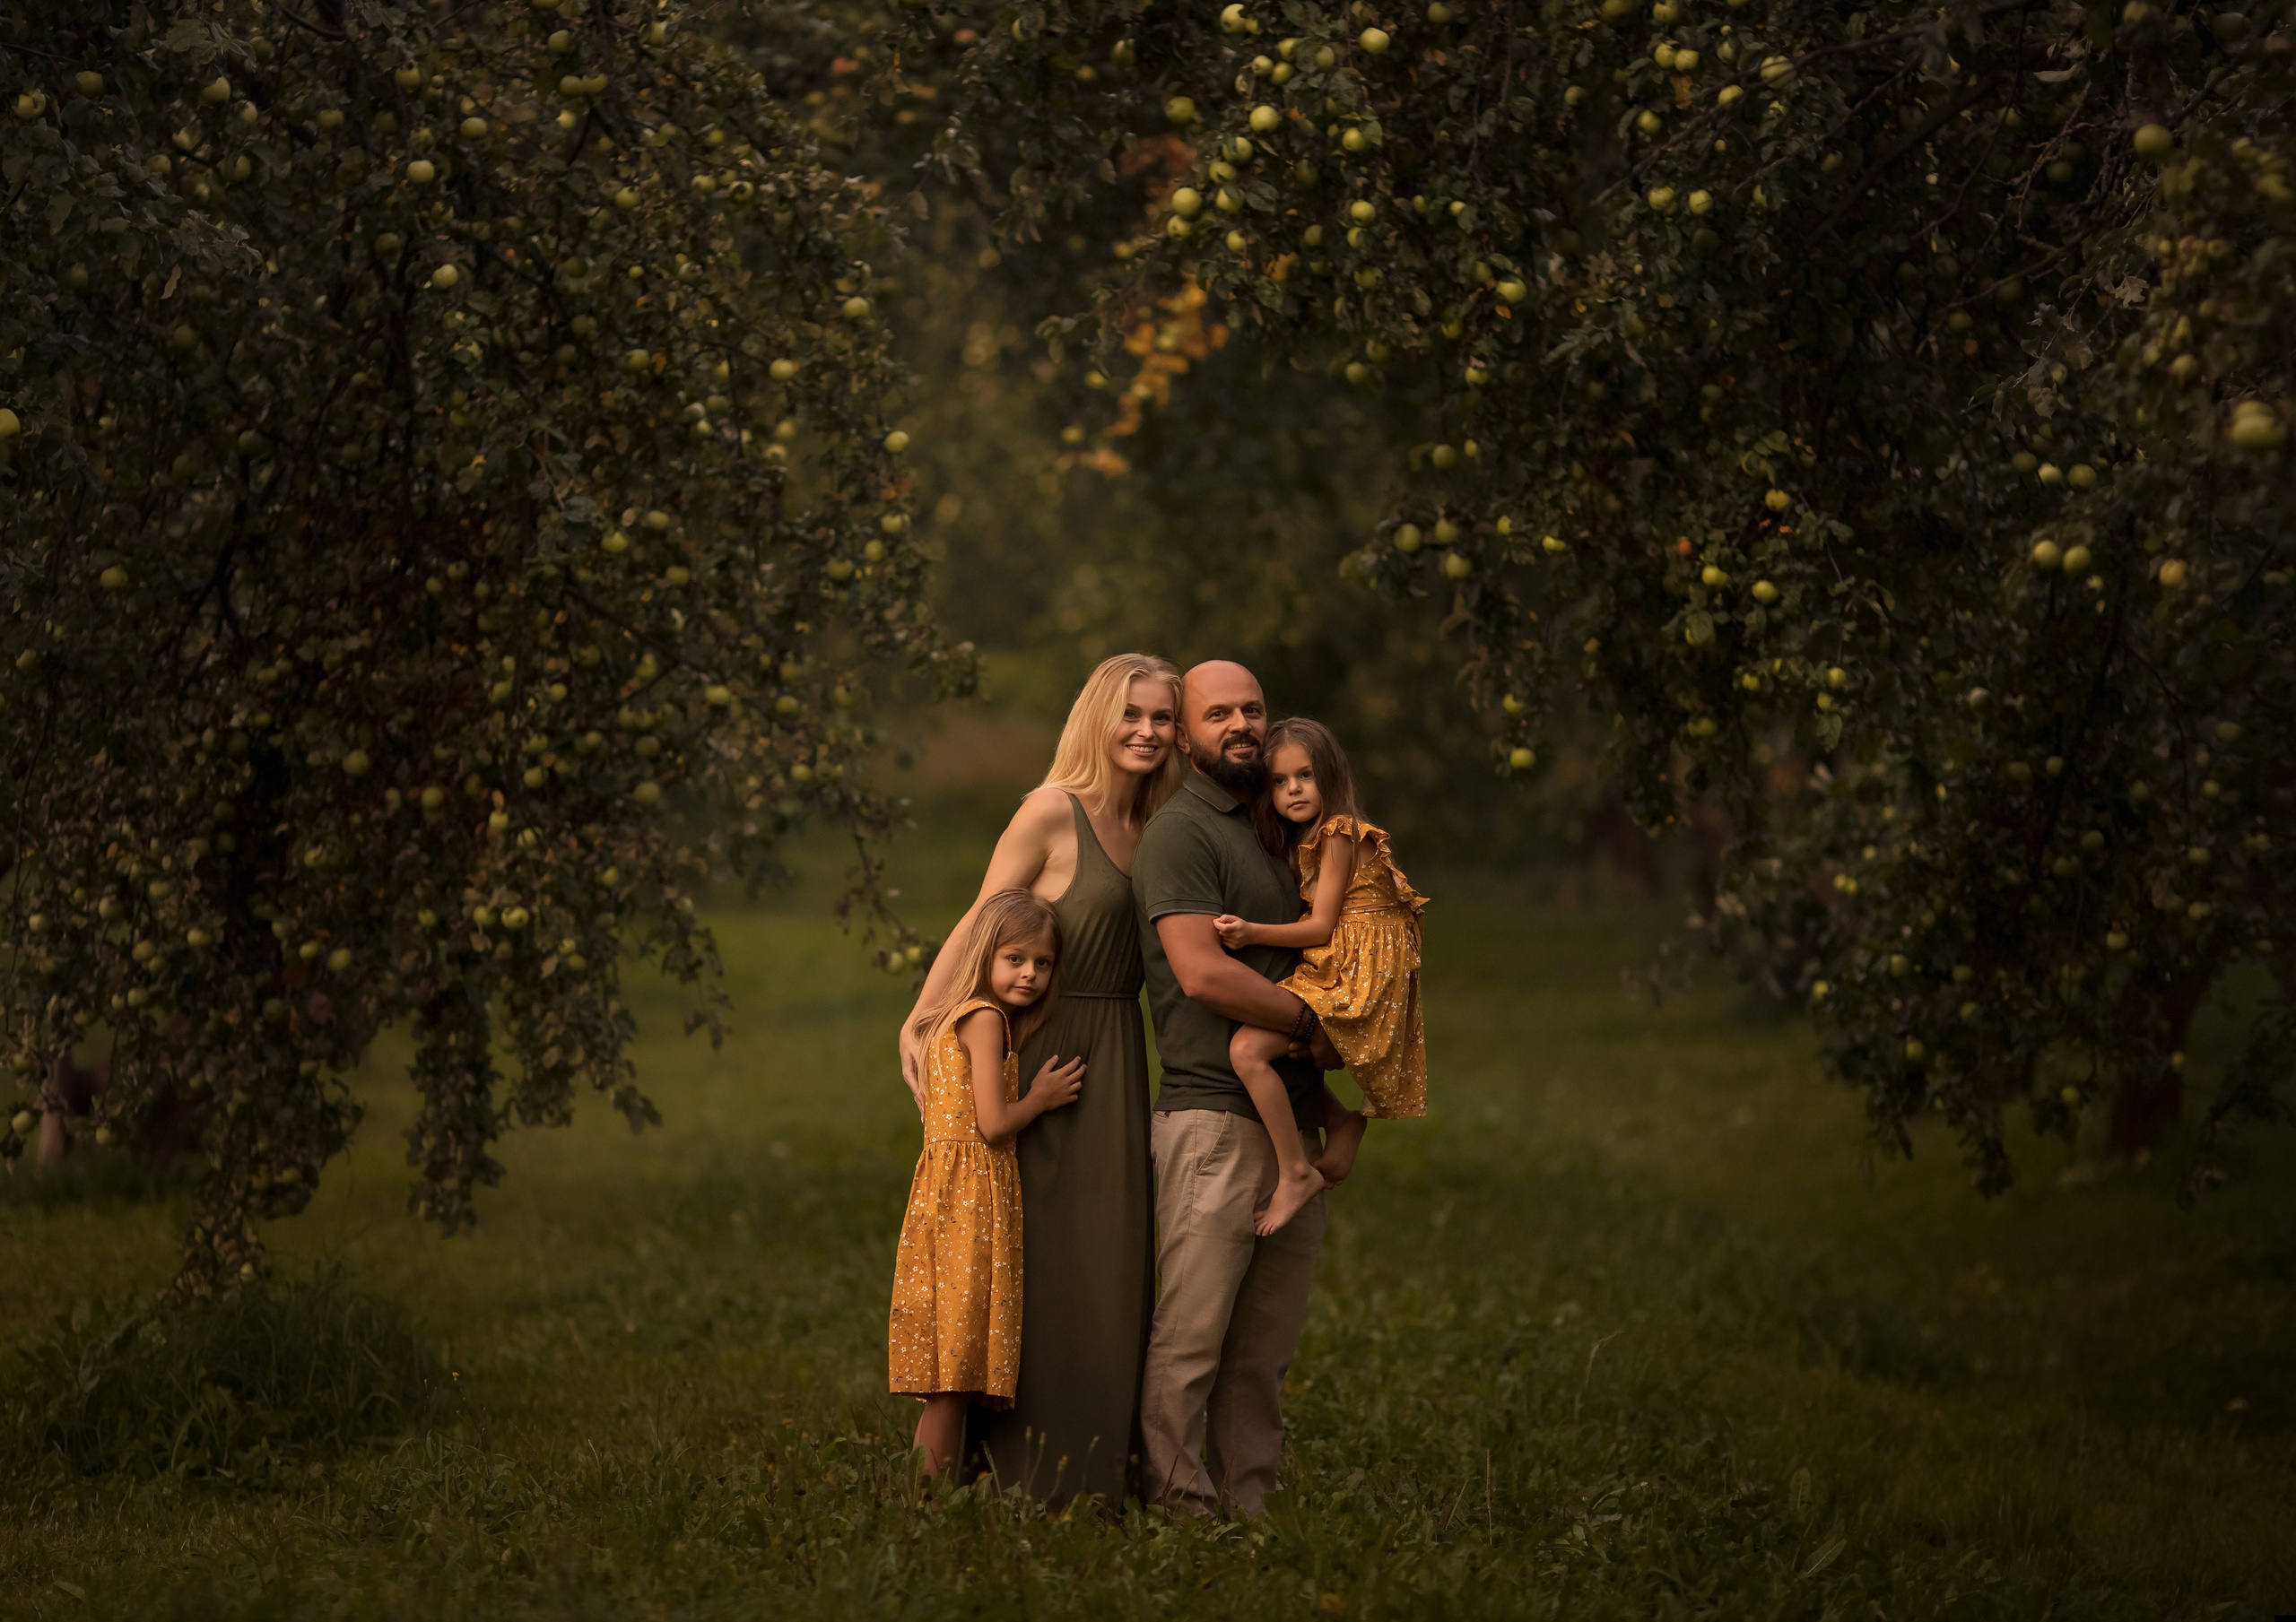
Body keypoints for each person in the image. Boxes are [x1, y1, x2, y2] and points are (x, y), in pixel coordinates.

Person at [897, 653, 1184, 1504]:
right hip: (1040, 1051)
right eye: (1130, 712)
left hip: (1117, 1057)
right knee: (1033, 1264)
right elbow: (985, 921)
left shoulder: (1163, 824)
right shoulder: (1052, 811)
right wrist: (922, 1017)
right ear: (1098, 717)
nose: (1145, 730)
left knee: (1111, 1263)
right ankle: (1018, 1473)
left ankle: (1101, 1472)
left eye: (1162, 717)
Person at [1133, 659, 1348, 1516]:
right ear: (1184, 737)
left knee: (1262, 1354)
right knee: (1190, 1341)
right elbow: (1201, 974)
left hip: (1291, 1126)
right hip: (1212, 1121)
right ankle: (1179, 1513)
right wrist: (1311, 1028)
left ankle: (1247, 1509)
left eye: (1252, 708)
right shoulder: (1183, 833)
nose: (1242, 724)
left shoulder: (1280, 824)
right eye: (1218, 713)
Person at [888, 889, 1084, 1475]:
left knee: (950, 1362)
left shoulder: (951, 1014)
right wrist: (1041, 1098)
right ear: (985, 956)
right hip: (968, 1199)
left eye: (1042, 963)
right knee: (955, 1369)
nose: (1029, 974)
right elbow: (995, 1123)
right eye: (1015, 958)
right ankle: (924, 1506)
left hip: (944, 1194)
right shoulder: (986, 1018)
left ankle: (931, 1496)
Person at [1214, 717, 1428, 1236]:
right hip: (1356, 964)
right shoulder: (1320, 838)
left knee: (1247, 1051)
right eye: (1280, 782)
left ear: (1329, 776)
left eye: (1304, 777)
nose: (1293, 791)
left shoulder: (1337, 833)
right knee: (1278, 1049)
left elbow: (1320, 926)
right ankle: (1342, 1121)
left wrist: (1250, 932)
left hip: (1356, 974)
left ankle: (1294, 1173)